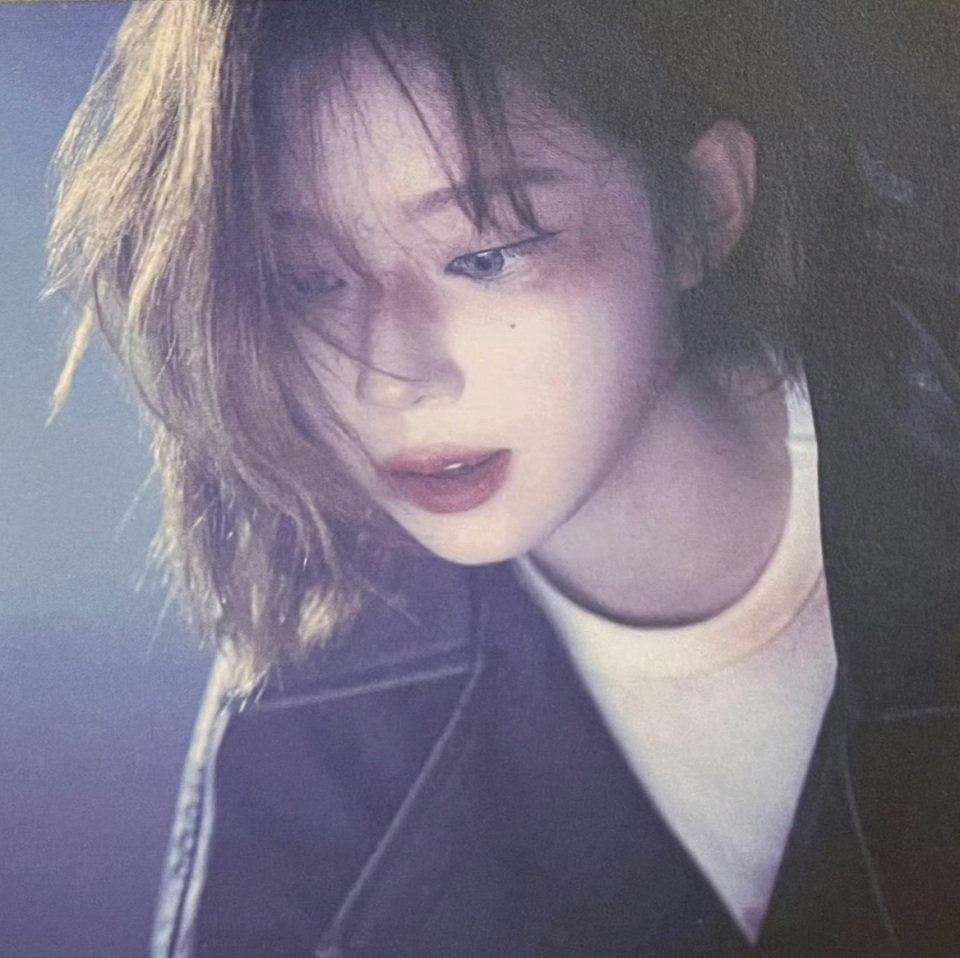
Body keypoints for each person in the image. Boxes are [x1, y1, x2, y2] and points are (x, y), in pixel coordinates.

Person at [45, 0, 960, 955]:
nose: (390, 372)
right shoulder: (315, 709)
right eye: (310, 279)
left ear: (703, 206)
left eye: (484, 255)